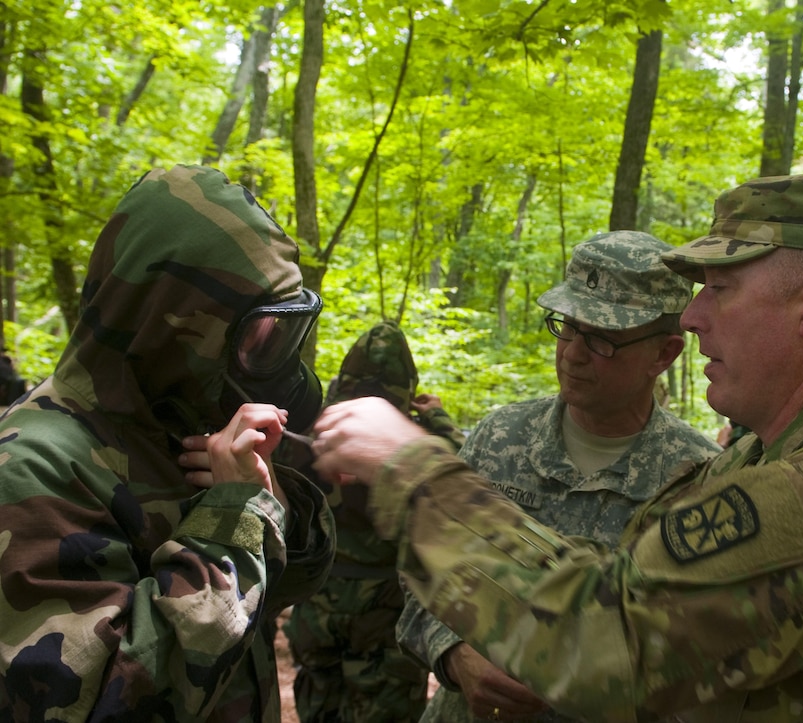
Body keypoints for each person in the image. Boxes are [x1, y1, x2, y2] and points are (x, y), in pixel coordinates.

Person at [308, 172, 803, 721]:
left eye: (719, 288)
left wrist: (414, 472)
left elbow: (607, 632)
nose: (693, 317)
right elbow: (627, 585)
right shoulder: (773, 461)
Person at [0, 164, 335, 720]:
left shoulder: (180, 418)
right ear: (171, 320)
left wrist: (269, 498)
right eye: (255, 335)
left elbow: (295, 578)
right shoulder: (32, 466)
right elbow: (102, 703)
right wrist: (235, 521)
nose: (270, 358)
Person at [396, 230, 722, 722]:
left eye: (601, 339)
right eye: (566, 327)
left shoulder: (698, 477)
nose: (571, 353)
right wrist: (455, 652)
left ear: (665, 354)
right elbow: (421, 566)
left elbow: (699, 648)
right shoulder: (499, 437)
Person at [283, 320, 465, 723]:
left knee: (319, 704)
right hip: (385, 612)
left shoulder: (310, 434)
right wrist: (437, 417)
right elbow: (465, 472)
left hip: (319, 605)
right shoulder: (411, 446)